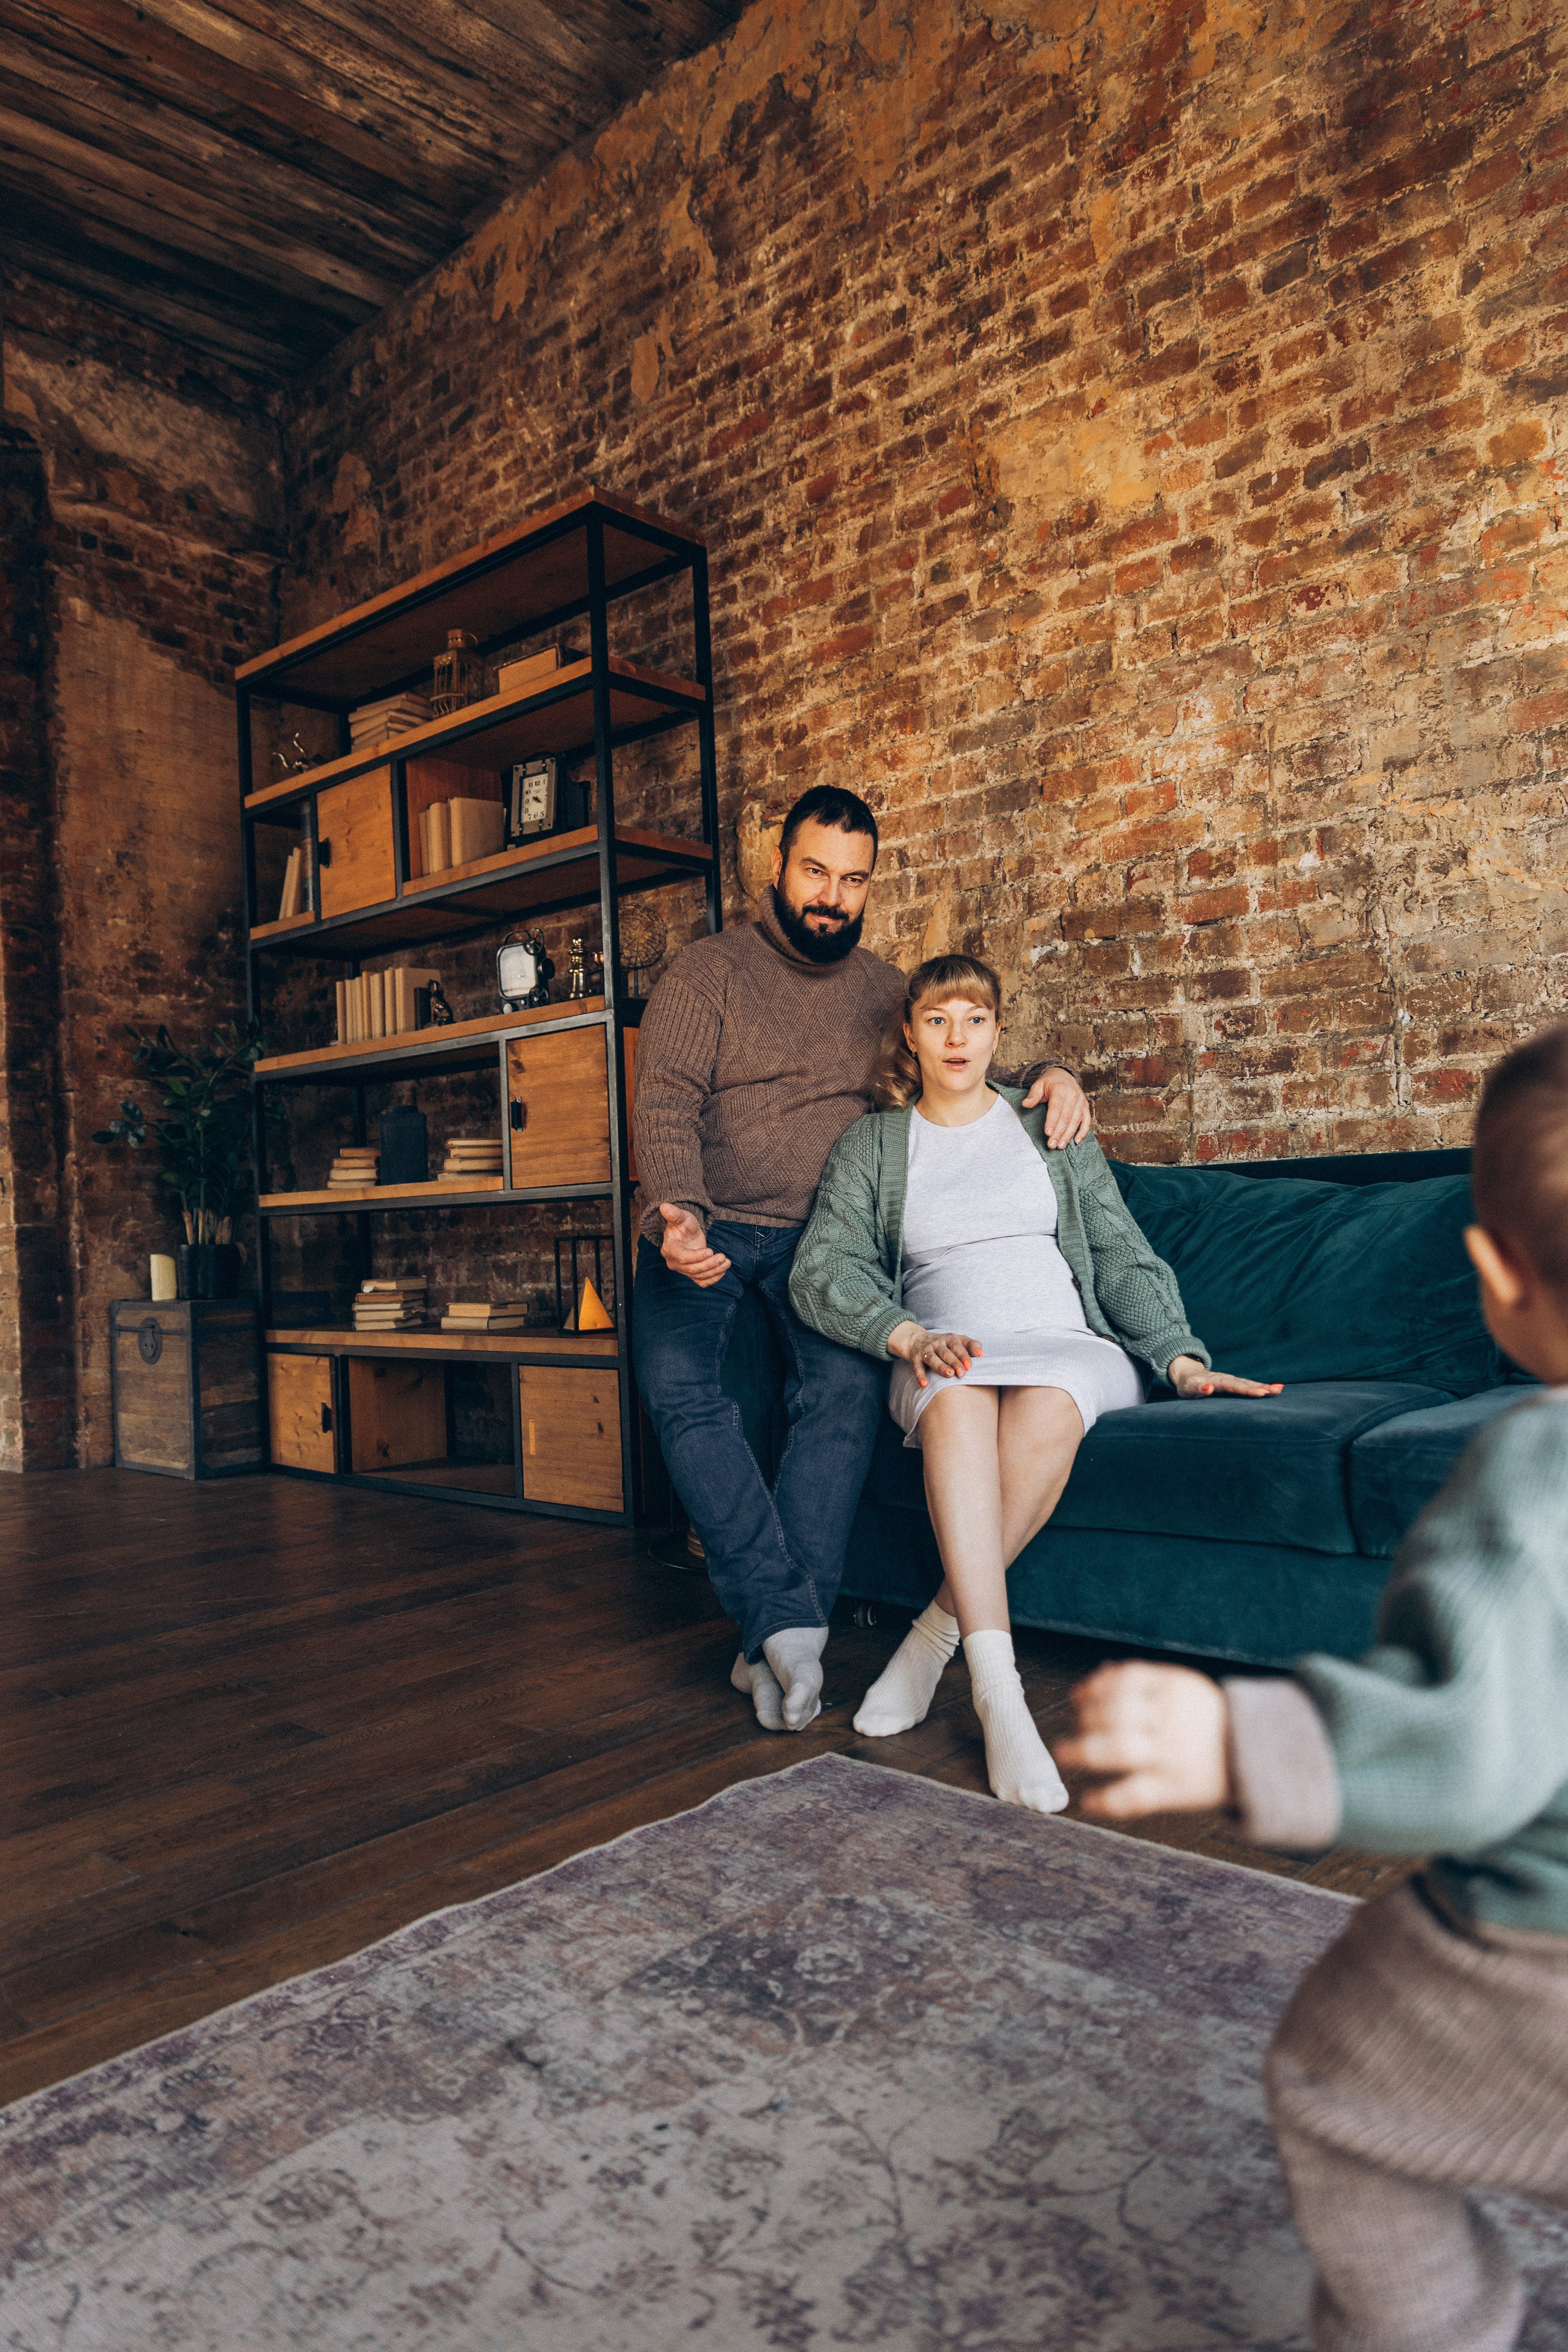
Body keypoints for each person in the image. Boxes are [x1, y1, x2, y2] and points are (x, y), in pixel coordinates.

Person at [1057, 1021, 1568, 2352]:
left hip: (1541, 1956)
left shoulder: (1530, 1477)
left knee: (1331, 2088)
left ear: (1494, 1280)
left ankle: (1441, 2323)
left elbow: (1469, 1753)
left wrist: (1243, 1744)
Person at [631, 786, 1091, 1736]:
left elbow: (959, 1060)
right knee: (679, 1386)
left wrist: (1051, 1078)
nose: (832, 897)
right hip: (707, 1228)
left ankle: (779, 1638)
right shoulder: (706, 973)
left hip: (827, 1247)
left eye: (853, 880)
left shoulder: (887, 989)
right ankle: (787, 1620)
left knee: (842, 1397)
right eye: (815, 872)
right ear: (778, 867)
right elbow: (667, 1099)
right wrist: (678, 1213)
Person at [788, 952, 1280, 1809]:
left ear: (998, 1032)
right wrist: (906, 1337)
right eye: (937, 1020)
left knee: (1054, 1399)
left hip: (1064, 1343)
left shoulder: (1045, 1121)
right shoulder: (874, 1144)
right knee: (959, 1397)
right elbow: (822, 1268)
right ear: (910, 1033)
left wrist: (1179, 1356)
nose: (957, 1038)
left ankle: (939, 1644)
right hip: (944, 1348)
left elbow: (1122, 1252)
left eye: (974, 1019)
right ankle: (1001, 1691)